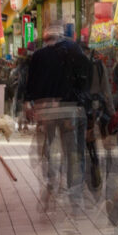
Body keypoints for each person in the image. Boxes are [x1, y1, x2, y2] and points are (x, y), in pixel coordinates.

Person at [25, 24, 92, 218]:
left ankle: (51, 182)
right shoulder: (75, 51)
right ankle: (75, 198)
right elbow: (85, 79)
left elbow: (30, 85)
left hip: (45, 111)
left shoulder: (38, 56)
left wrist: (28, 104)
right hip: (70, 109)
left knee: (48, 150)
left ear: (45, 38)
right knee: (73, 154)